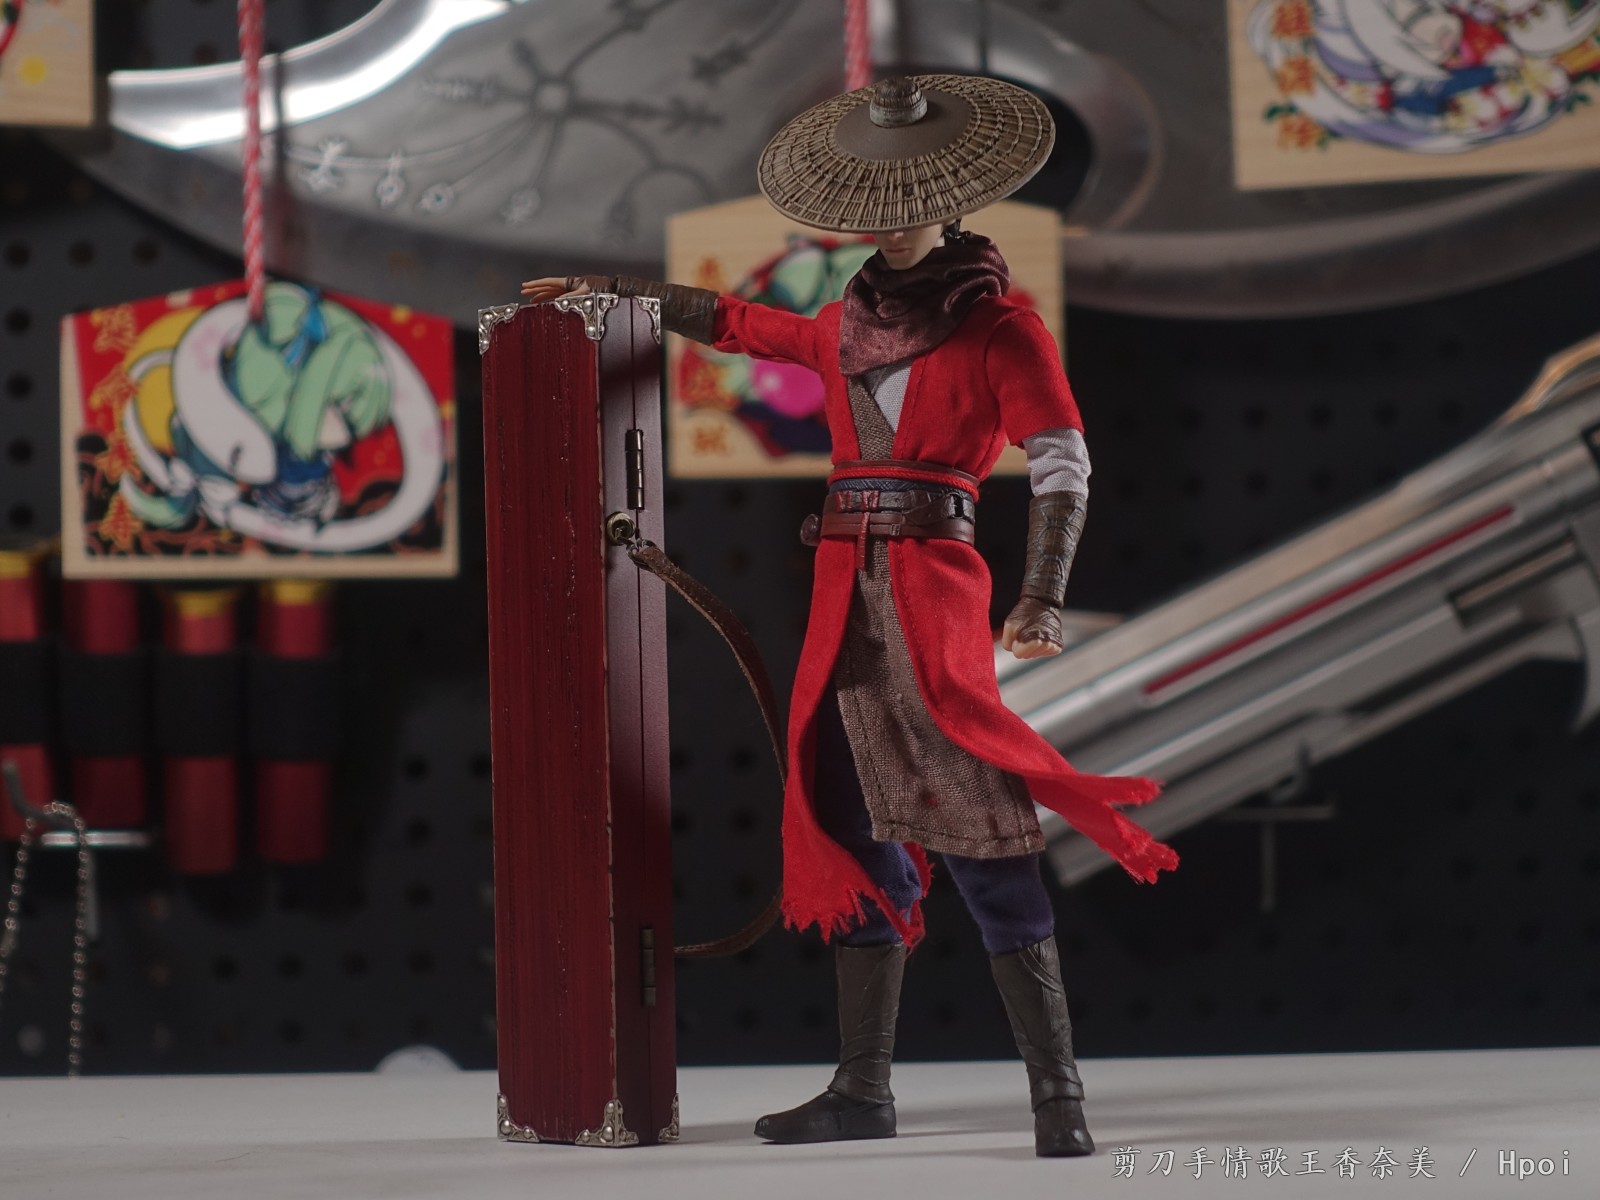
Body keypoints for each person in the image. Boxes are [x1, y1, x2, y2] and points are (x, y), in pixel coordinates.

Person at [522, 74, 1177, 1159]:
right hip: (841, 606)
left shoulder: (1001, 327)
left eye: (909, 200)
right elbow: (740, 324)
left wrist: (1042, 593)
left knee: (983, 828)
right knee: (844, 820)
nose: (889, 218)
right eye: (873, 201)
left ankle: (1057, 1095)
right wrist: (614, 292)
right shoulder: (844, 325)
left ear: (952, 201)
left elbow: (1061, 459)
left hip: (933, 598)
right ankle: (862, 1090)